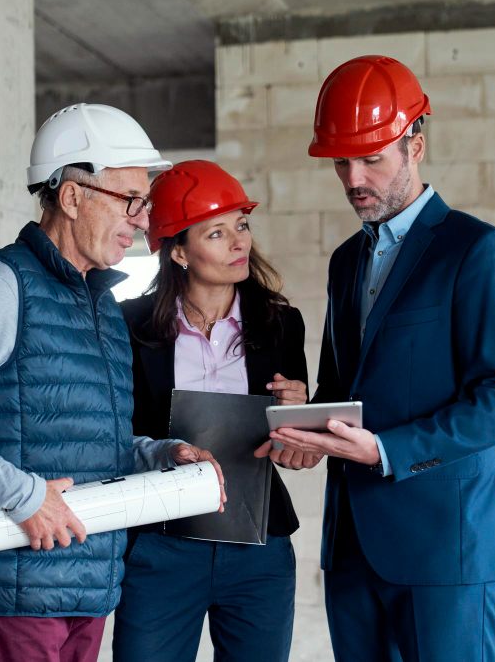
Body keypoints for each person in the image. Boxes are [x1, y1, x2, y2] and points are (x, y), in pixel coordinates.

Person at [0, 103, 224, 662]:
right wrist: (24, 496)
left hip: (86, 577)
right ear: (73, 198)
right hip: (17, 584)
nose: (143, 220)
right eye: (130, 200)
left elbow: (91, 446)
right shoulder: (4, 286)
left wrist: (161, 454)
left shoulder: (100, 305)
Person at [265, 56, 495, 661]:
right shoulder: (345, 262)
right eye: (341, 162)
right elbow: (346, 396)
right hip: (354, 548)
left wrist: (387, 450)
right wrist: (306, 424)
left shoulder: (478, 251)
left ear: (416, 144)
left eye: (371, 159)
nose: (353, 178)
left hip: (445, 548)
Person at [112, 160, 320, 662]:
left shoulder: (281, 325)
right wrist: (165, 452)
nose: (239, 243)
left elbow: (301, 448)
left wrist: (301, 422)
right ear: (178, 250)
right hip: (161, 545)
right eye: (217, 232)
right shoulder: (128, 326)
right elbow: (113, 436)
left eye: (242, 226)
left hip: (258, 544)